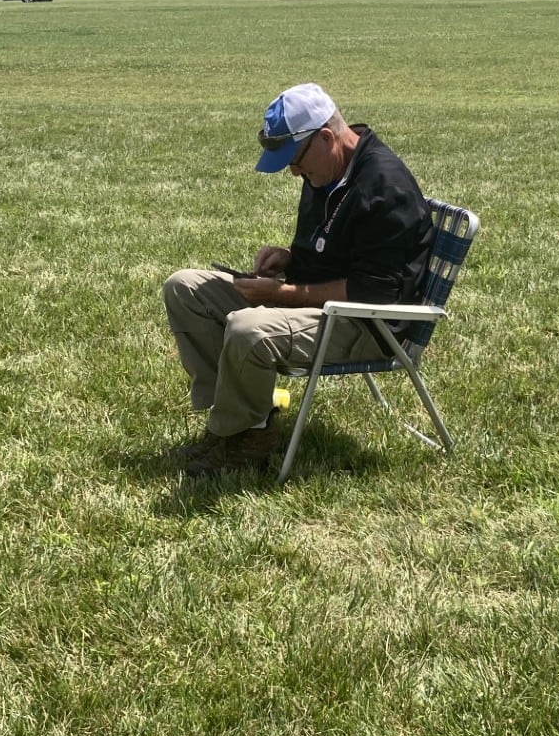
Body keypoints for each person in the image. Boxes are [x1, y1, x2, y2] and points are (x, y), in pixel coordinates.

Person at [162, 83, 433, 475]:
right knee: (185, 289)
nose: (293, 171)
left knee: (248, 329)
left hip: (365, 323)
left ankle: (244, 438)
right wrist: (287, 259)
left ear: (326, 137)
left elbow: (372, 291)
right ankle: (241, 423)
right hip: (321, 305)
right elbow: (330, 248)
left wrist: (282, 293)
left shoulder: (385, 191)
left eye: (296, 159)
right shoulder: (327, 170)